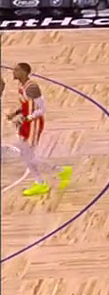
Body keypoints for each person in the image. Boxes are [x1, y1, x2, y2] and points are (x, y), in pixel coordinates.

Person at [7, 62, 72, 197]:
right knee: (25, 155)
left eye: (17, 70)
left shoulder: (32, 87)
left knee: (29, 156)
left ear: (24, 72)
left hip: (33, 124)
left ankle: (59, 172)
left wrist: (27, 118)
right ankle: (41, 181)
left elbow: (42, 109)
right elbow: (27, 105)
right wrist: (16, 113)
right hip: (26, 122)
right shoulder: (21, 85)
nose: (14, 72)